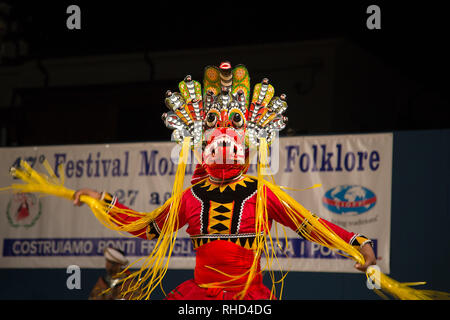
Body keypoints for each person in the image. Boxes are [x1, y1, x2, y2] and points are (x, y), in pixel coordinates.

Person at [72, 62, 376, 300]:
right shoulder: (191, 196)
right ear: (201, 141)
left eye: (234, 126)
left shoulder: (261, 194)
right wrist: (101, 201)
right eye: (215, 126)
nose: (224, 136)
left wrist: (357, 243)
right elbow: (148, 226)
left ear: (247, 142)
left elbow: (309, 225)